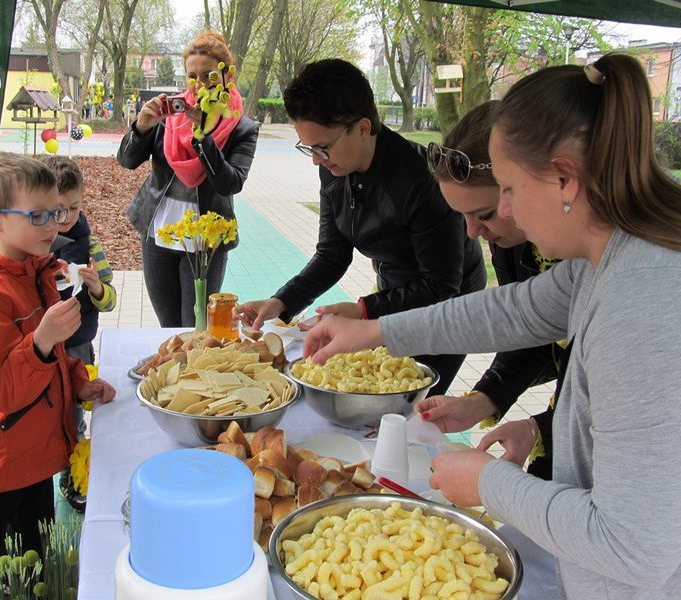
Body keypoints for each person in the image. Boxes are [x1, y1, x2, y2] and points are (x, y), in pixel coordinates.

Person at [303, 54, 681, 599]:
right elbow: (511, 312)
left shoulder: (644, 304)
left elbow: (632, 544)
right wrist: (373, 331)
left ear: (565, 180)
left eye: (506, 189)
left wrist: (489, 483)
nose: (503, 216)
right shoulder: (606, 258)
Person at [234, 59, 486, 396]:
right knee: (375, 386)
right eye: (309, 148)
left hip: (448, 302)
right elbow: (332, 254)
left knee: (410, 399)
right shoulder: (335, 168)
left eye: (322, 148)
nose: (315, 160)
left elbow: (441, 285)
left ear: (363, 127)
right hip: (394, 290)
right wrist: (280, 302)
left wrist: (365, 310)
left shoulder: (420, 181)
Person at [0, 150, 116, 599]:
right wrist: (39, 341)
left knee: (36, 567)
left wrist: (78, 381)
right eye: (36, 215)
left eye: (55, 212)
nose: (51, 225)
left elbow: (55, 358)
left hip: (35, 456)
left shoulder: (39, 272)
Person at [415, 101, 562, 478]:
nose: (472, 233)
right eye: (461, 216)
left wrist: (491, 485)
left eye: (484, 214)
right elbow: (530, 333)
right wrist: (484, 401)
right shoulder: (512, 237)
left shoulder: (619, 274)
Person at [118, 31, 259, 327]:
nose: (200, 83)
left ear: (226, 77)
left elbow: (230, 183)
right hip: (159, 230)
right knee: (168, 326)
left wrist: (204, 138)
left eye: (209, 75)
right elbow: (128, 162)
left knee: (196, 326)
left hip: (206, 239)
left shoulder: (242, 127)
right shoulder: (170, 115)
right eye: (192, 76)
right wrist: (142, 127)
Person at [43, 155, 117, 512]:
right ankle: (45, 466)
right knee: (46, 413)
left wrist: (96, 289)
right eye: (57, 209)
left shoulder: (89, 246)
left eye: (74, 208)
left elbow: (109, 301)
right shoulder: (35, 245)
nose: (66, 217)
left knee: (75, 412)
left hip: (77, 346)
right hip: (42, 349)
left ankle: (73, 474)